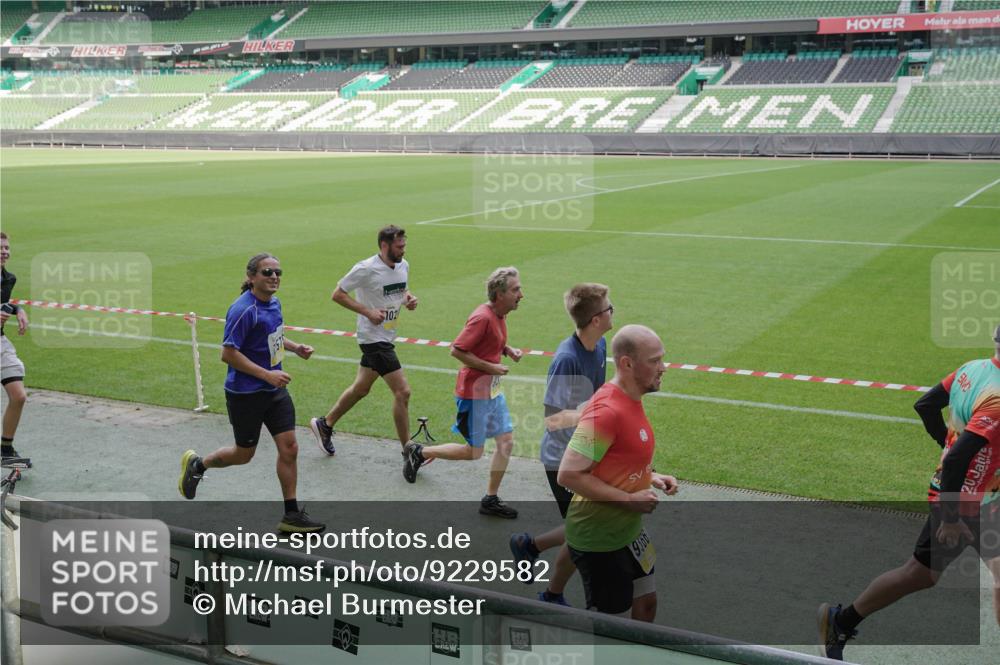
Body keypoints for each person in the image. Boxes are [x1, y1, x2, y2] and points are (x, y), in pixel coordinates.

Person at [818, 325, 1000, 660]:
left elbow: (926, 405)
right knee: (923, 573)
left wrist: (944, 442)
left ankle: (841, 621)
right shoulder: (998, 398)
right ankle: (840, 621)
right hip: (965, 504)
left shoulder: (971, 369)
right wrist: (949, 517)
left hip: (972, 496)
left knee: (920, 574)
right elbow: (960, 457)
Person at [178, 253, 324, 534]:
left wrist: (295, 348)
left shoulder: (274, 302)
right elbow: (228, 354)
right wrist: (267, 374)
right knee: (244, 454)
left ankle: (291, 515)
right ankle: (199, 464)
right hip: (245, 393)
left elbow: (274, 334)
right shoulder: (243, 310)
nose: (274, 277)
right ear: (251, 277)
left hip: (274, 391)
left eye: (278, 272)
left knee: (290, 447)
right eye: (267, 272)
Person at [557, 324, 679, 619]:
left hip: (628, 531)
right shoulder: (606, 411)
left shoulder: (630, 400)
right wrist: (629, 500)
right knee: (609, 624)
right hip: (599, 539)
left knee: (647, 602)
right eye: (654, 361)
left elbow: (614, 459)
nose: (663, 368)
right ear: (627, 364)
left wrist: (650, 477)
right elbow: (569, 475)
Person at [510, 283, 614, 606]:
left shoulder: (599, 346)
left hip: (586, 452)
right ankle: (553, 593)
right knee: (586, 532)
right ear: (596, 319)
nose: (613, 312)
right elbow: (552, 419)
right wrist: (589, 411)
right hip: (562, 462)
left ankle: (530, 547)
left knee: (585, 524)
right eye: (610, 308)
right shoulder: (566, 360)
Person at [402, 267, 524, 518]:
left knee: (506, 442)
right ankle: (420, 451)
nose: (521, 294)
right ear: (499, 294)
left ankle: (490, 499)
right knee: (473, 452)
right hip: (473, 395)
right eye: (515, 289)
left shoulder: (499, 315)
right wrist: (492, 367)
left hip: (491, 391)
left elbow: (488, 342)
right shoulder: (483, 317)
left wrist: (506, 349)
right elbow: (457, 350)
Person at [310, 225, 417, 456]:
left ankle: (325, 424)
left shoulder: (403, 265)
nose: (403, 251)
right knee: (403, 392)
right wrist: (367, 312)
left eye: (404, 246)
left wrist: (408, 299)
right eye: (399, 247)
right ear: (384, 245)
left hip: (387, 335)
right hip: (373, 339)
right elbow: (337, 294)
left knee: (361, 389)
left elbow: (401, 289)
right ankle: (408, 450)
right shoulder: (366, 269)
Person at [1, 232, 29, 465]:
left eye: (7, 248)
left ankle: (5, 450)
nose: (5, 251)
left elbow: (5, 303)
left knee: (18, 396)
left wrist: (18, 310)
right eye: (0, 248)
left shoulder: (8, 278)